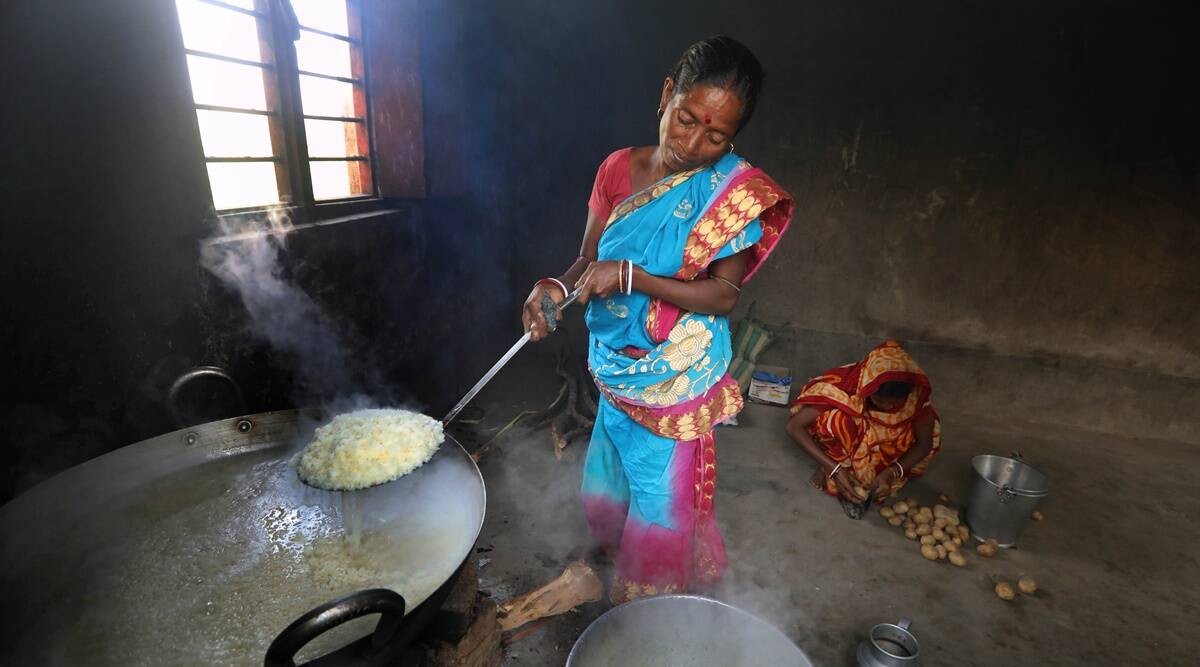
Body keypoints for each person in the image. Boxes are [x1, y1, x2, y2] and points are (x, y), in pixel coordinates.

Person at [520, 36, 793, 603]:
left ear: (732, 139)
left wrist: (633, 277)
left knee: (659, 502)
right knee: (606, 482)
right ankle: (613, 559)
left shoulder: (730, 194)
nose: (692, 145)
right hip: (617, 369)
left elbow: (723, 295)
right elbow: (587, 257)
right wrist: (555, 288)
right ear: (667, 94)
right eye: (686, 119)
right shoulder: (617, 169)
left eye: (715, 137)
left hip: (674, 376)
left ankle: (650, 605)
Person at [785, 340, 941, 518]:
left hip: (884, 447)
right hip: (849, 439)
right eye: (880, 400)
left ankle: (865, 471)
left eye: (895, 403)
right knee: (837, 420)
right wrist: (834, 468)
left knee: (919, 433)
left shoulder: (916, 398)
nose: (887, 407)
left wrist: (891, 472)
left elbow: (924, 444)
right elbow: (794, 427)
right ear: (869, 388)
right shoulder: (847, 386)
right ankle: (828, 465)